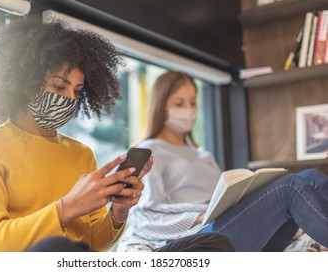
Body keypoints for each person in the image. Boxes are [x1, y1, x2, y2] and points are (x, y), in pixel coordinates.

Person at [0, 18, 234, 252]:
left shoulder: (81, 154)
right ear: (27, 83)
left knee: (214, 243)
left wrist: (119, 212)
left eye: (77, 92)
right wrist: (66, 208)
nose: (69, 98)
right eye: (59, 85)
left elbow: (95, 243)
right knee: (55, 247)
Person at [116, 70, 328, 252]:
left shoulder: (203, 155)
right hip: (203, 235)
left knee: (312, 176)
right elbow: (144, 219)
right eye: (179, 103)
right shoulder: (153, 151)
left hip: (230, 225)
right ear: (160, 106)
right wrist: (200, 216)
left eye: (192, 103)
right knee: (290, 187)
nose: (188, 110)